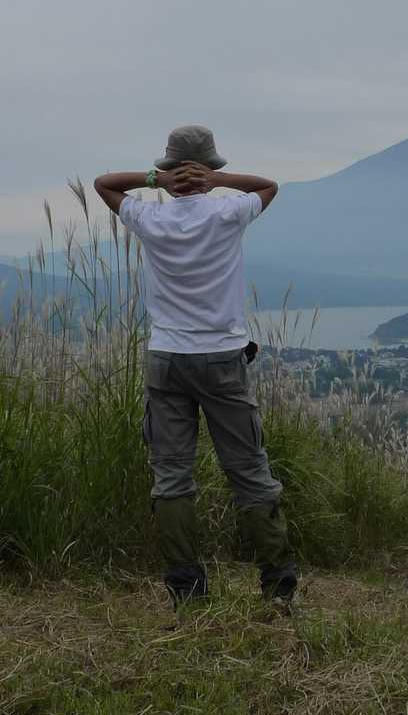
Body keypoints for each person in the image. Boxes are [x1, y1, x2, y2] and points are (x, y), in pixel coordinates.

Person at [94, 124, 297, 610]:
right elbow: (269, 186)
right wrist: (217, 182)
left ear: (168, 167)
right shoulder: (228, 212)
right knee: (248, 470)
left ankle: (187, 591)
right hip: (223, 359)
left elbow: (104, 184)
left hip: (167, 359)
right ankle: (278, 588)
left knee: (171, 475)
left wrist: (155, 181)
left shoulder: (149, 217)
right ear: (211, 167)